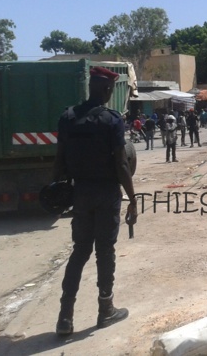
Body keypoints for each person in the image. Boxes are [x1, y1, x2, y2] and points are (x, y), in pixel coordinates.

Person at [52, 66, 136, 336]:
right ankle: (106, 310)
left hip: (81, 193)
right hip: (106, 193)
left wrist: (59, 189)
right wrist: (132, 198)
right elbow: (122, 164)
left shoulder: (68, 117)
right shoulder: (111, 120)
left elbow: (59, 159)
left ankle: (65, 318)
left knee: (80, 251)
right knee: (105, 251)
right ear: (107, 89)